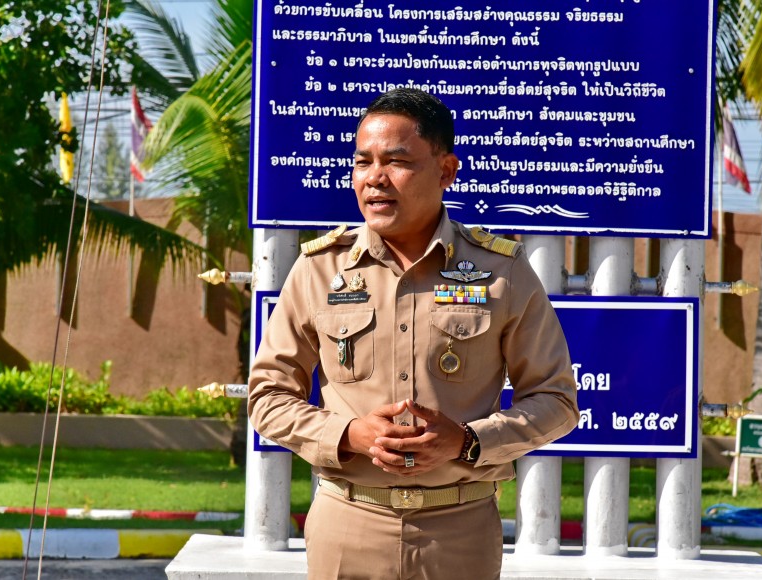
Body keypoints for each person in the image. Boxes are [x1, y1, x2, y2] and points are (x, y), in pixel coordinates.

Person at [248, 88, 578, 580]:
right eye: (363, 162)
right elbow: (267, 396)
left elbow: (556, 401)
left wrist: (468, 441)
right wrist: (349, 435)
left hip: (459, 532)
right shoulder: (319, 269)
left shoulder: (501, 272)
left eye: (397, 162)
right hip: (347, 526)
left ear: (446, 171)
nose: (374, 178)